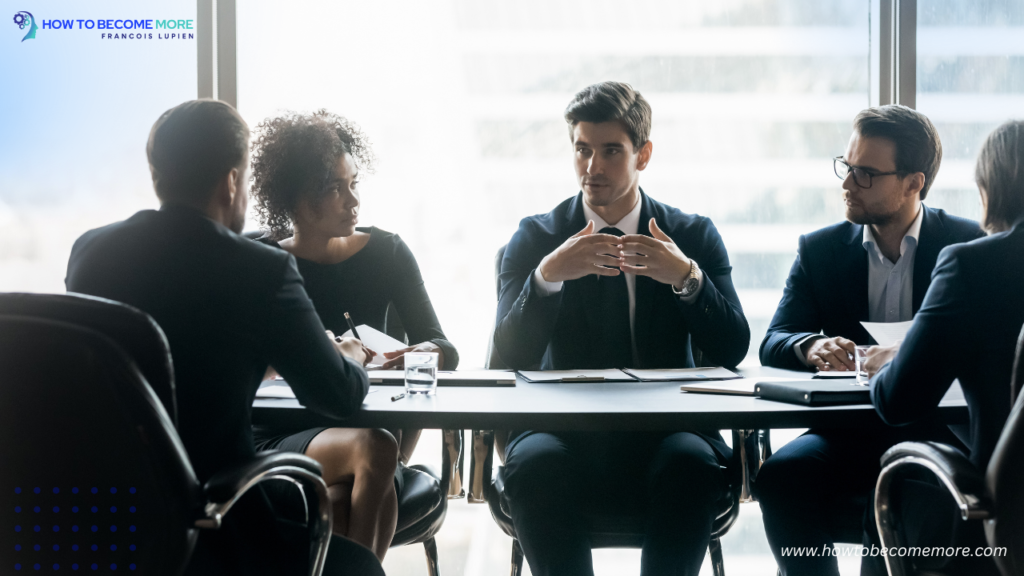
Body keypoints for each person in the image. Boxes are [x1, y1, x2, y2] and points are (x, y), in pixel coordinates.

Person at [65, 99, 384, 576]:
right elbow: (336, 395)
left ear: (159, 174)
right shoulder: (262, 271)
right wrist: (352, 357)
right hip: (221, 522)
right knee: (359, 567)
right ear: (232, 181)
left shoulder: (90, 252)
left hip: (110, 520)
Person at [493, 81, 750, 576]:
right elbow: (507, 352)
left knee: (692, 465)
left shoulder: (692, 234)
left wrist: (687, 278)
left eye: (611, 151)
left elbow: (732, 347)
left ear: (644, 154)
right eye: (582, 150)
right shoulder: (535, 237)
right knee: (534, 464)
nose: (593, 168)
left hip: (668, 432)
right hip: (561, 432)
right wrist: (546, 278)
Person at [753, 105, 984, 576]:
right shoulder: (819, 250)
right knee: (779, 476)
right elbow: (774, 339)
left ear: (913, 183)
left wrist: (914, 352)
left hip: (937, 432)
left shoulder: (966, 246)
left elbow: (990, 343)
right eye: (847, 166)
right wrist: (808, 346)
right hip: (846, 433)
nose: (847, 184)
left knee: (911, 490)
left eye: (865, 174)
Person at [247, 109, 460, 559]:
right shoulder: (260, 262)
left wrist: (421, 353)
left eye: (354, 183)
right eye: (334, 189)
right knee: (372, 455)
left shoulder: (387, 253)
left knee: (346, 495)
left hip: (368, 430)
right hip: (283, 434)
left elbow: (445, 347)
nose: (353, 201)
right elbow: (237, 363)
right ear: (297, 200)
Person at [859, 119, 1024, 575]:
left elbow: (898, 400)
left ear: (991, 188)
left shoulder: (974, 266)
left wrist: (893, 358)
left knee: (890, 496)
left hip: (1006, 510)